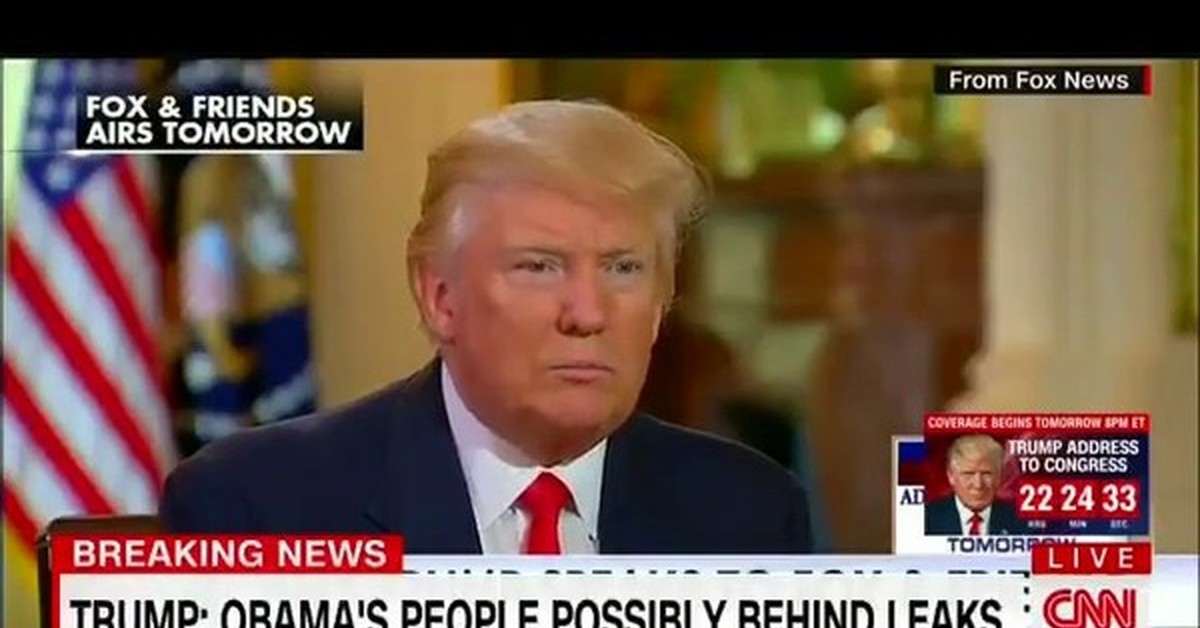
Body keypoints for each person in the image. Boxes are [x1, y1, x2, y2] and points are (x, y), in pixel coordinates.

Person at [159, 99, 814, 554]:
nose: (587, 314)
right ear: (440, 297)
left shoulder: (747, 510)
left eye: (623, 269)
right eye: (539, 267)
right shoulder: (260, 506)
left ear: (662, 302)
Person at [924, 434, 1025, 536]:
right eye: (968, 474)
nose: (978, 484)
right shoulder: (926, 519)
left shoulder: (1020, 521)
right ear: (951, 476)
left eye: (986, 473)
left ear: (999, 476)